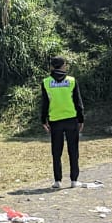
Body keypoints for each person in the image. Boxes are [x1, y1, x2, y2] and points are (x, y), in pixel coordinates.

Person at [40, 56, 85, 188]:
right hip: (71, 119)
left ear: (52, 67)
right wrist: (81, 119)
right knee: (73, 150)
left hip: (55, 120)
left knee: (56, 151)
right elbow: (78, 102)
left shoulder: (46, 82)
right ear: (64, 66)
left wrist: (43, 120)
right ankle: (74, 180)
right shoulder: (71, 80)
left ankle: (57, 181)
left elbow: (44, 103)